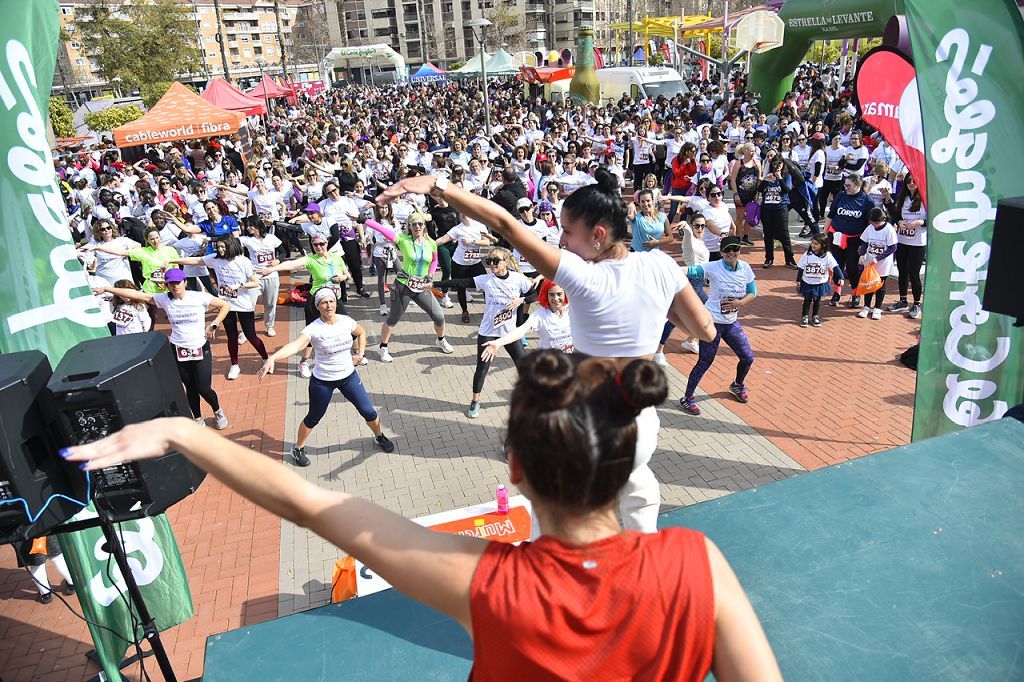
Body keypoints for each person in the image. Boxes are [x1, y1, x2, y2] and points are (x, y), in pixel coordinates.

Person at [65, 351, 781, 680]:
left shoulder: (488, 586)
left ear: (515, 469)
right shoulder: (696, 562)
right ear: (629, 464)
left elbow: (314, 505)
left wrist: (184, 432)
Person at [376, 168, 715, 534]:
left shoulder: (583, 275)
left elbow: (505, 224)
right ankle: (643, 557)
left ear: (598, 235)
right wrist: (657, 306)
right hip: (640, 423)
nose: (563, 241)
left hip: (586, 425)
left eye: (568, 232)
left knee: (552, 505)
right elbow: (704, 330)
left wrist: (439, 185)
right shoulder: (661, 265)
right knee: (637, 485)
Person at [257, 287, 394, 466]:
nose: (329, 305)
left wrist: (360, 353)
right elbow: (295, 345)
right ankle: (297, 448)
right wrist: (273, 357)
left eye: (331, 301)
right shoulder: (313, 329)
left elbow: (361, 332)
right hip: (323, 381)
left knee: (368, 411)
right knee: (314, 416)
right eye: (324, 302)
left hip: (348, 377)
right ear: (318, 306)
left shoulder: (346, 321)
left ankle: (379, 436)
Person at [95, 268, 230, 428]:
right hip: (178, 349)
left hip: (200, 347)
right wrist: (107, 289)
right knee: (190, 388)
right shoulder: (164, 299)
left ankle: (218, 411)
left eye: (177, 282)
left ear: (185, 282)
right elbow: (138, 295)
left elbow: (225, 305)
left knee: (204, 388)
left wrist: (214, 324)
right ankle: (198, 418)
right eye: (171, 284)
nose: (175, 286)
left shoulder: (199, 297)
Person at [435, 247, 535, 418]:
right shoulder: (486, 280)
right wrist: (434, 284)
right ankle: (475, 402)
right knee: (482, 369)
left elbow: (537, 294)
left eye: (496, 261)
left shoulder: (519, 279)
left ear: (506, 262)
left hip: (509, 333)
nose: (492, 265)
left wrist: (522, 300)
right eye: (489, 262)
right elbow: (460, 282)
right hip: (488, 332)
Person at [679, 236, 757, 416]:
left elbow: (753, 292)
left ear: (739, 250)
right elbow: (691, 270)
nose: (731, 253)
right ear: (721, 252)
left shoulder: (745, 268)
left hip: (730, 324)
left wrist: (740, 302)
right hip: (711, 324)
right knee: (705, 361)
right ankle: (687, 398)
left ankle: (737, 385)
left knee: (748, 357)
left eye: (735, 249)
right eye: (727, 250)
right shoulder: (713, 267)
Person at [171, 237, 269, 380]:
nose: (220, 250)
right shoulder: (214, 259)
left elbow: (256, 282)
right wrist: (173, 261)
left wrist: (239, 285)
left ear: (231, 246)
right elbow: (195, 261)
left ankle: (266, 358)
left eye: (223, 247)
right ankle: (234, 365)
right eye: (218, 247)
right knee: (232, 336)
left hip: (243, 304)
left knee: (250, 335)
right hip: (225, 304)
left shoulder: (243, 261)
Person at [363, 214, 455, 363]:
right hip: (403, 286)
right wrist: (364, 220)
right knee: (393, 319)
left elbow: (434, 260)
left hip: (422, 286)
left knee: (439, 316)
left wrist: (430, 274)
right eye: (413, 224)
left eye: (420, 223)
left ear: (424, 225)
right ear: (409, 227)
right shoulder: (403, 240)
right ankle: (383, 348)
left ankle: (441, 340)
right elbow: (383, 229)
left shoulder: (430, 242)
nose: (417, 227)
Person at [259, 235, 349, 378]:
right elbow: (291, 264)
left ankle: (357, 355)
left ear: (327, 243)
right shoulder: (311, 260)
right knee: (311, 335)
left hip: (335, 300)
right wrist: (272, 269)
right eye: (315, 245)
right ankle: (304, 362)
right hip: (317, 302)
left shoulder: (336, 258)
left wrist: (342, 278)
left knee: (348, 327)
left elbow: (346, 274)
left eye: (321, 244)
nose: (319, 247)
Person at [654, 213, 710, 365]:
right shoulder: (690, 239)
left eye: (703, 226)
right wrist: (685, 224)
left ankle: (691, 340)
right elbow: (686, 230)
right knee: (675, 319)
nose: (700, 228)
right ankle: (658, 351)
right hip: (690, 282)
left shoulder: (701, 241)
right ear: (692, 226)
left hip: (699, 284)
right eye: (697, 225)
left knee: (709, 311)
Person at [480, 280, 573, 358]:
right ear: (546, 296)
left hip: (570, 362)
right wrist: (498, 342)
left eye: (559, 294)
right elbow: (520, 331)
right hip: (549, 364)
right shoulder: (540, 316)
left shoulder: (573, 310)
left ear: (565, 294)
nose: (556, 298)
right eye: (551, 295)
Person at [436, 214, 499, 324]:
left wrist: (472, 241)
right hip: (460, 263)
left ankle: (490, 310)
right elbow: (442, 239)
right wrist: (426, 245)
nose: (464, 214)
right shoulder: (457, 229)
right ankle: (465, 311)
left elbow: (487, 242)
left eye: (466, 211)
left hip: (475, 263)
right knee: (461, 288)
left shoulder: (480, 226)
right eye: (461, 213)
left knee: (487, 285)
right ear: (459, 215)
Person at [825, 173, 874, 307]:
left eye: (849, 185)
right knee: (837, 266)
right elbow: (831, 215)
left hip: (855, 240)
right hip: (836, 237)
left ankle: (855, 294)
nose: (846, 188)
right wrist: (824, 234)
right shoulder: (841, 195)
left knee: (852, 268)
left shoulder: (866, 200)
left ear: (858, 185)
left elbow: (870, 224)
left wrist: (864, 243)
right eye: (845, 185)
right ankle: (837, 292)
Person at [884, 174, 927, 320]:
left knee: (914, 273)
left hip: (918, 242)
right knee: (902, 272)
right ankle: (903, 301)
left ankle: (916, 304)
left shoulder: (925, 198)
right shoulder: (903, 197)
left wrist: (920, 222)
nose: (911, 184)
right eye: (908, 181)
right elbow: (895, 215)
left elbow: (932, 218)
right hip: (902, 240)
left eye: (914, 181)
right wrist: (899, 221)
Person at [239, 218, 283, 336]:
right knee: (249, 304)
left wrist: (277, 261)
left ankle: (270, 326)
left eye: (250, 226)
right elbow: (230, 241)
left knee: (270, 303)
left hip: (271, 275)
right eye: (247, 226)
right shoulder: (247, 240)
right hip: (255, 277)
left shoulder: (271, 238)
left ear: (257, 226)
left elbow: (283, 252)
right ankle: (246, 331)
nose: (247, 228)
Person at [856, 207, 899, 320]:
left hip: (883, 263)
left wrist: (879, 258)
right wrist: (862, 254)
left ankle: (877, 308)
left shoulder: (889, 230)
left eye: (877, 222)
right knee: (869, 283)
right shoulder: (869, 228)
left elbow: (892, 247)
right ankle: (866, 306)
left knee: (880, 285)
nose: (874, 225)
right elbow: (864, 242)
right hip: (870, 261)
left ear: (883, 219)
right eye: (872, 222)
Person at [796, 233, 845, 328]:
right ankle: (805, 315)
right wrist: (798, 280)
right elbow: (801, 268)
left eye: (816, 244)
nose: (813, 245)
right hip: (808, 282)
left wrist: (841, 277)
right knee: (807, 299)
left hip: (820, 283)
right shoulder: (807, 254)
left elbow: (835, 267)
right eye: (812, 243)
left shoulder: (827, 256)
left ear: (823, 245)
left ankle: (815, 316)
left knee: (817, 300)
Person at [756, 158, 797, 269]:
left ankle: (790, 259)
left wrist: (779, 178)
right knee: (768, 234)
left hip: (780, 208)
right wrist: (765, 180)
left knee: (784, 234)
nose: (777, 166)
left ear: (783, 164)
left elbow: (787, 190)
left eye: (780, 163)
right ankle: (769, 258)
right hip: (767, 208)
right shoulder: (768, 176)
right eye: (775, 164)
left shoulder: (786, 176)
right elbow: (759, 189)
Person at [728, 143, 761, 246]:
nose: (753, 153)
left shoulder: (757, 163)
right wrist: (735, 193)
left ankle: (746, 236)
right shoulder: (739, 163)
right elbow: (733, 179)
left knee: (750, 216)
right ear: (745, 151)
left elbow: (759, 179)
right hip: (741, 194)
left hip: (752, 194)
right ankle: (737, 236)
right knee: (740, 216)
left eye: (754, 151)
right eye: (751, 151)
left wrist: (758, 193)